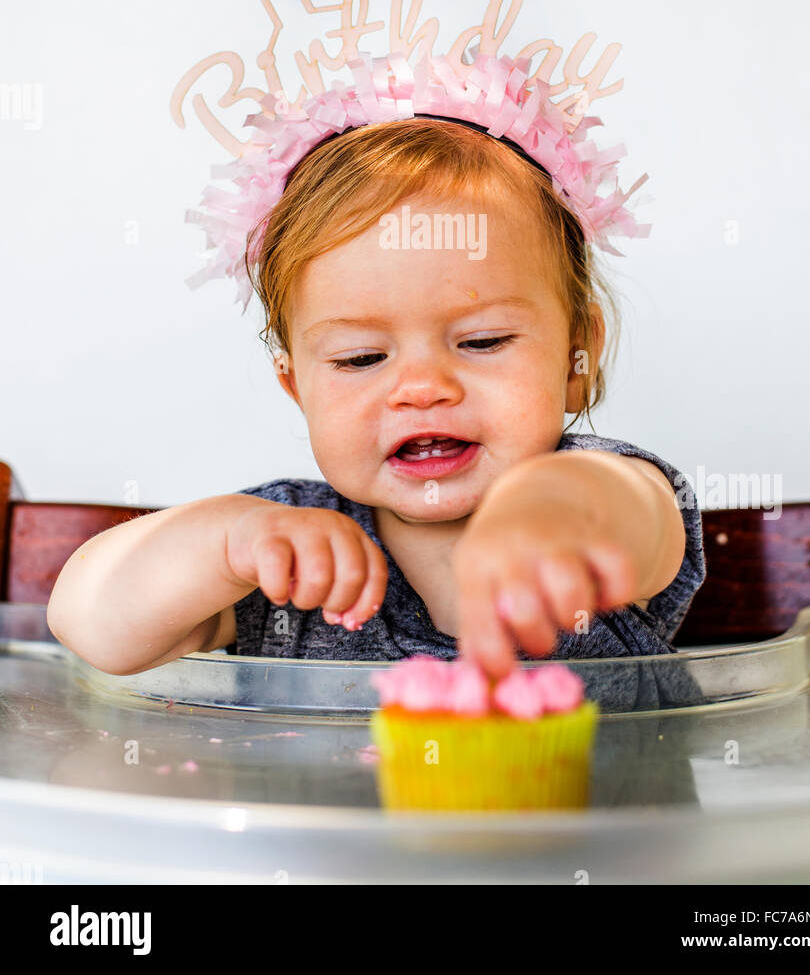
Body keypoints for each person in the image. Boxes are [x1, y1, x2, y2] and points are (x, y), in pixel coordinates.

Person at [47, 94, 705, 681]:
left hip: (591, 822)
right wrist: (231, 541)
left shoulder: (609, 489)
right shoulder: (291, 558)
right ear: (297, 387)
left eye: (481, 343)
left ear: (573, 358)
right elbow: (91, 625)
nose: (421, 388)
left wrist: (560, 507)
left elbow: (638, 520)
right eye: (362, 358)